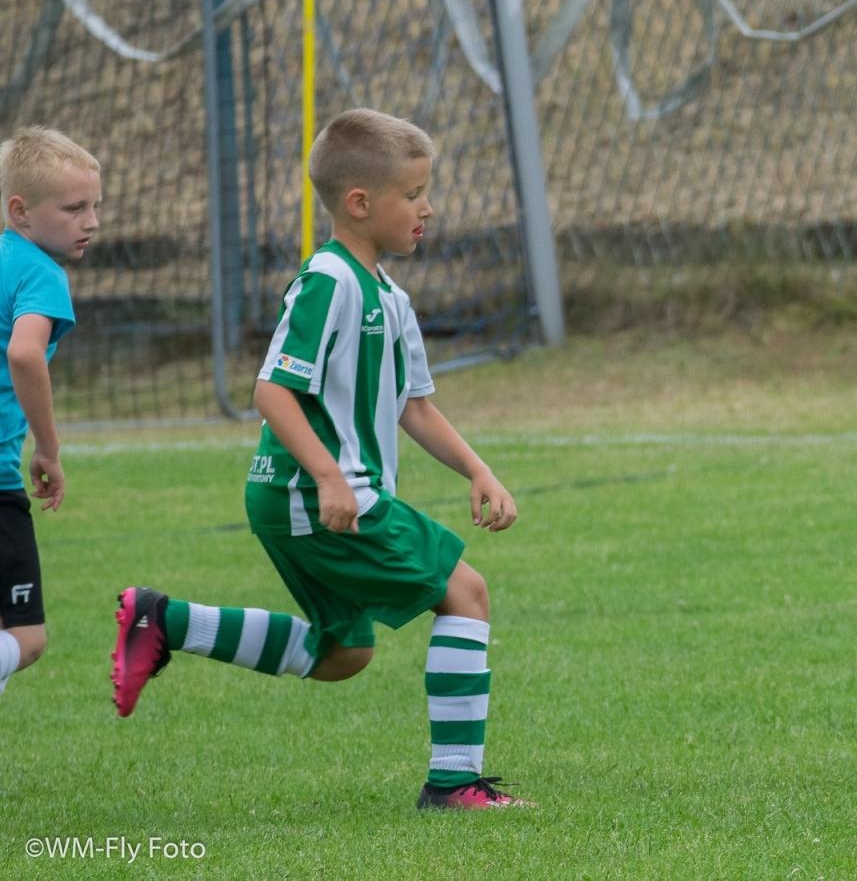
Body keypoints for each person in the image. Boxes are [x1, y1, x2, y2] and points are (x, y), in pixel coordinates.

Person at [110, 109, 528, 810]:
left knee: (344, 655)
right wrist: (331, 475)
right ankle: (455, 784)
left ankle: (165, 620)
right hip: (322, 492)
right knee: (468, 592)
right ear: (360, 204)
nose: (429, 209)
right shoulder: (330, 280)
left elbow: (413, 405)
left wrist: (478, 470)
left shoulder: (390, 297)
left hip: (303, 496)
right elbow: (272, 389)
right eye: (415, 194)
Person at [0, 128, 101, 700]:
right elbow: (23, 352)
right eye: (73, 208)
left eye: (95, 207)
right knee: (27, 637)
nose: (90, 221)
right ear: (21, 211)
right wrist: (49, 449)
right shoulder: (41, 273)